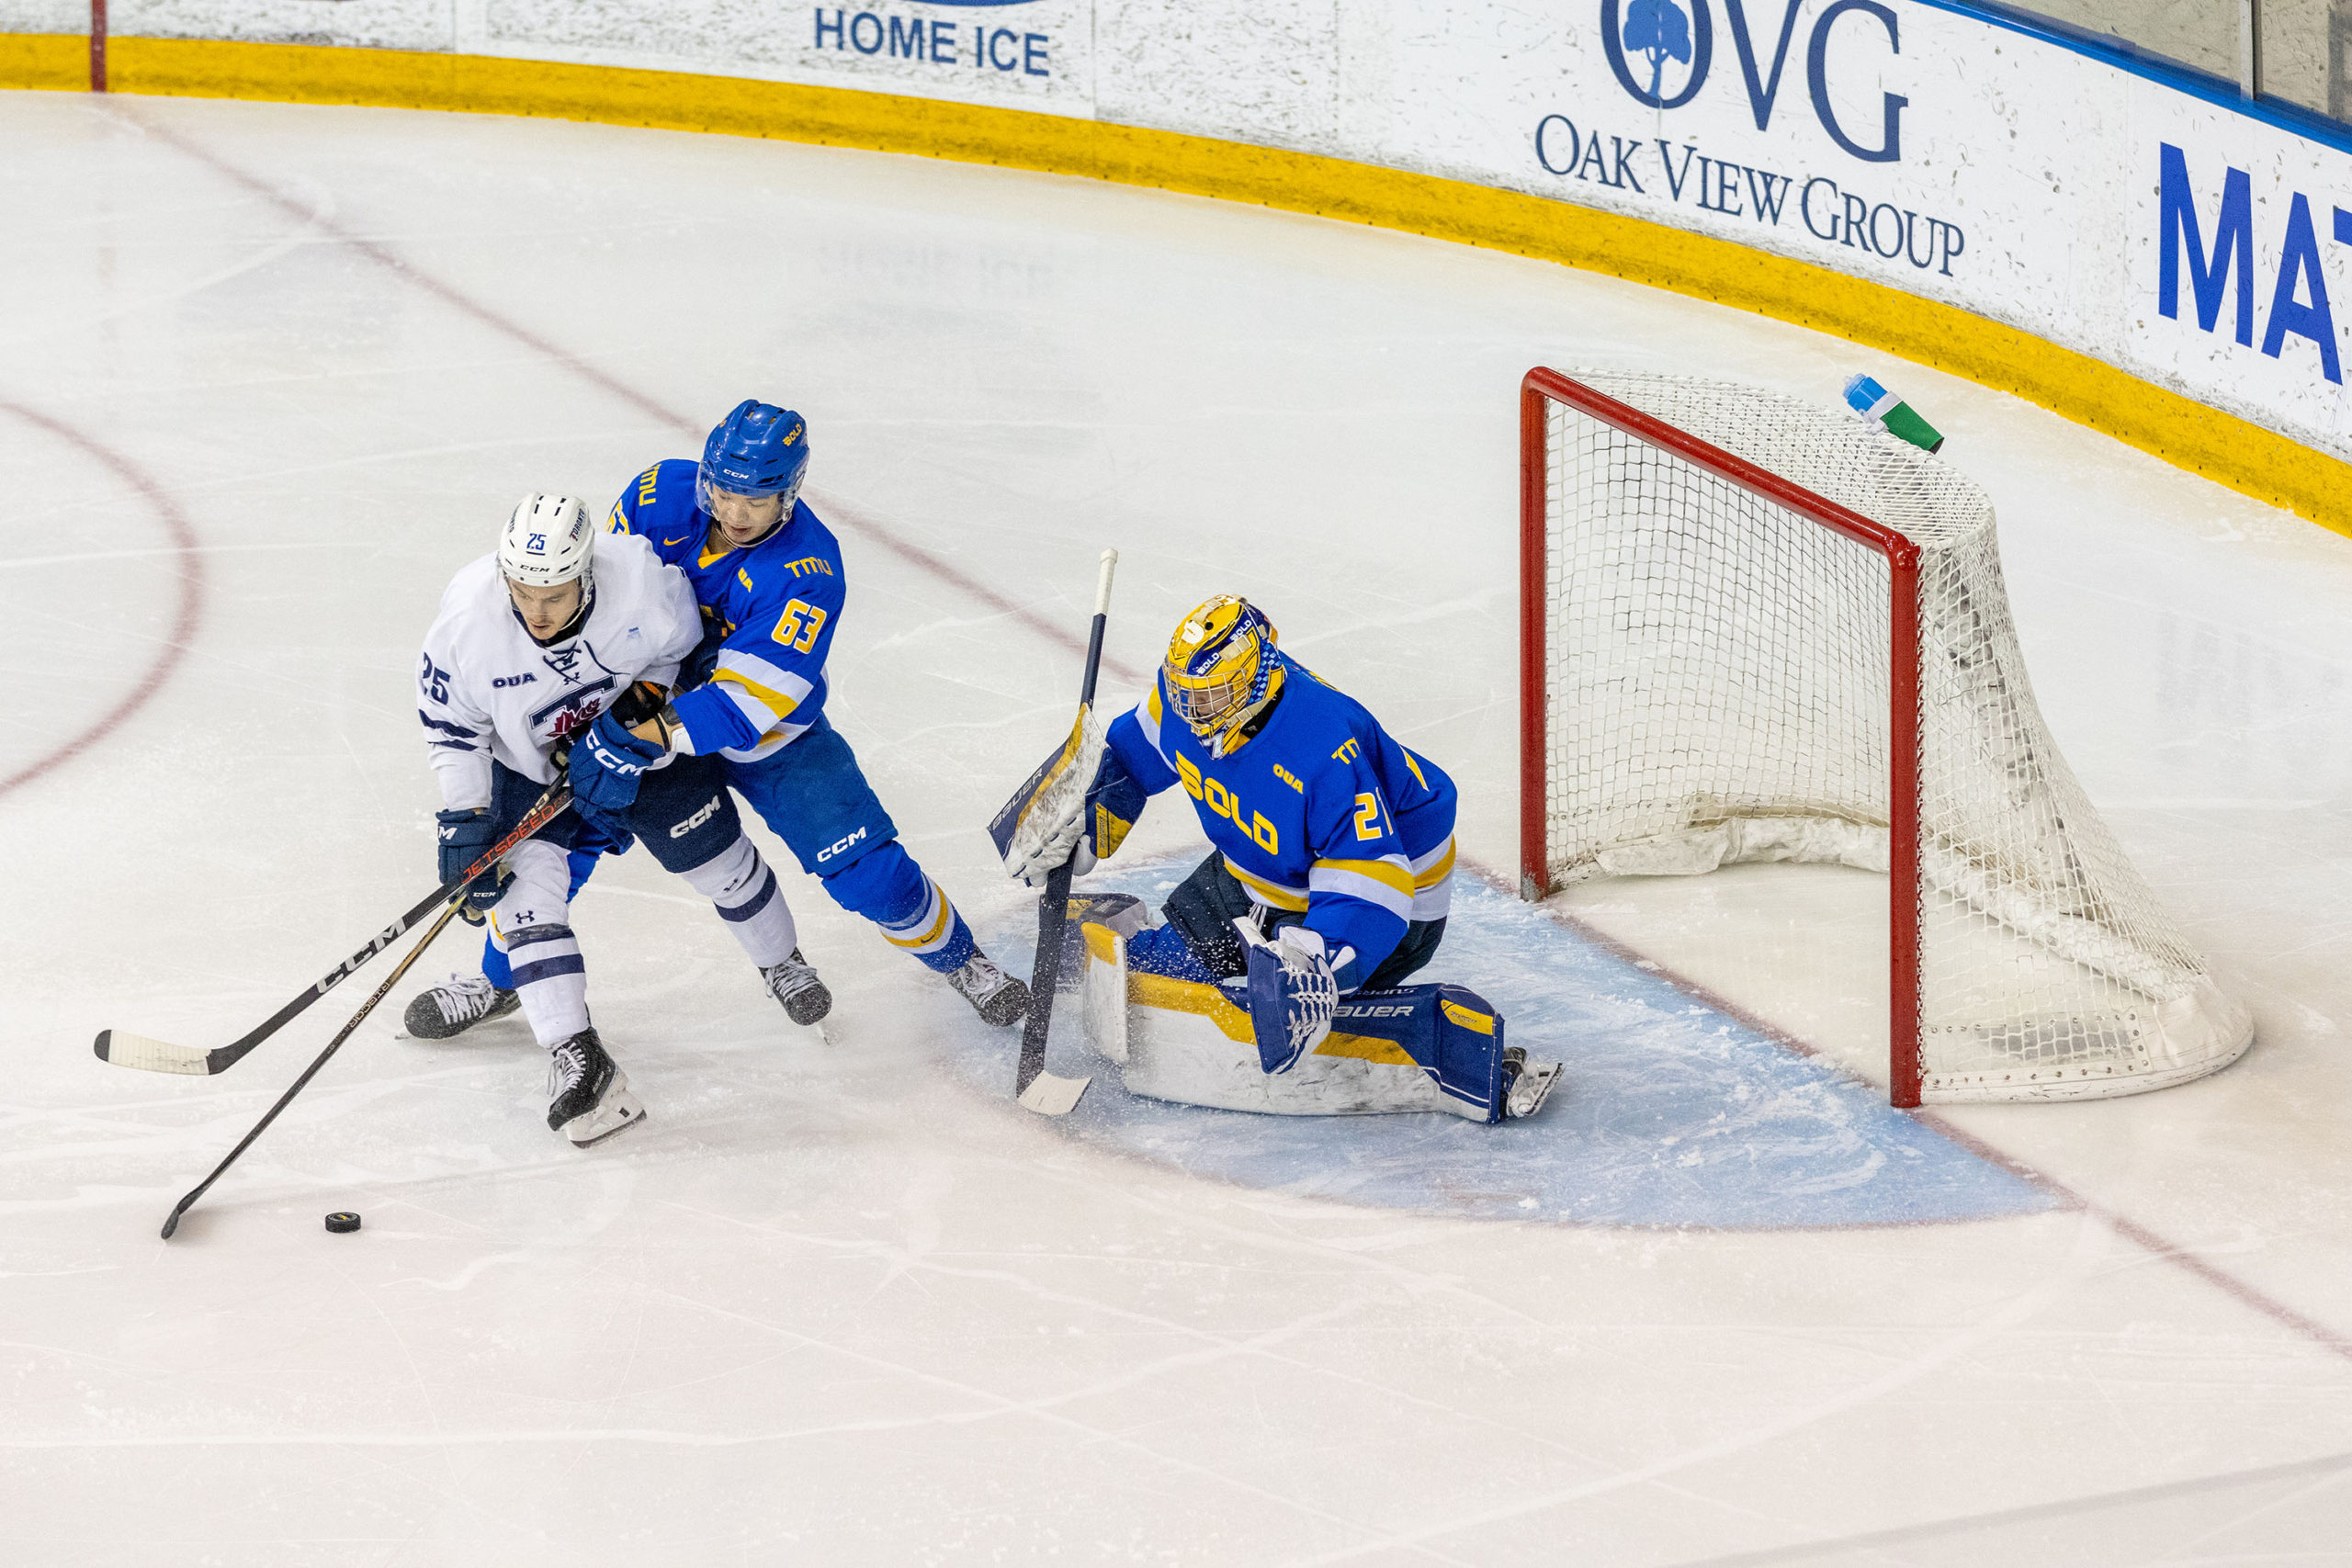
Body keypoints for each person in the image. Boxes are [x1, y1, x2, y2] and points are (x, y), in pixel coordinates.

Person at [1003, 594, 1558, 1121]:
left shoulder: (1323, 748)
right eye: (1185, 692)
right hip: (1262, 867)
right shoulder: (1188, 700)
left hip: (1388, 901)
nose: (1193, 711)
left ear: (1256, 682)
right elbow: (1132, 755)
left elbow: (1377, 882)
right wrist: (1084, 809)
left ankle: (1445, 1048)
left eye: (1210, 696)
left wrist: (1318, 961)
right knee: (1159, 970)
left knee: (1285, 1007)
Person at [581, 401, 1030, 1027]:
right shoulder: (657, 496)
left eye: (755, 500)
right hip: (647, 712)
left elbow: (744, 704)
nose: (734, 514)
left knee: (873, 878)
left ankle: (963, 962)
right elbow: (605, 606)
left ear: (789, 493)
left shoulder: (807, 570)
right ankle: (504, 977)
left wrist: (644, 733)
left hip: (771, 742)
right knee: (564, 829)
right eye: (723, 493)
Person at [408, 493, 830, 1145]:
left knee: (717, 860)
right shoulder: (466, 622)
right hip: (528, 768)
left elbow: (681, 651)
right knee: (525, 899)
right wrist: (464, 819)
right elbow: (454, 732)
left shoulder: (637, 579)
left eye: (554, 596)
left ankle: (781, 962)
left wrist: (634, 713)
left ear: (586, 574)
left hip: (637, 749)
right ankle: (577, 1055)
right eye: (523, 593)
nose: (537, 612)